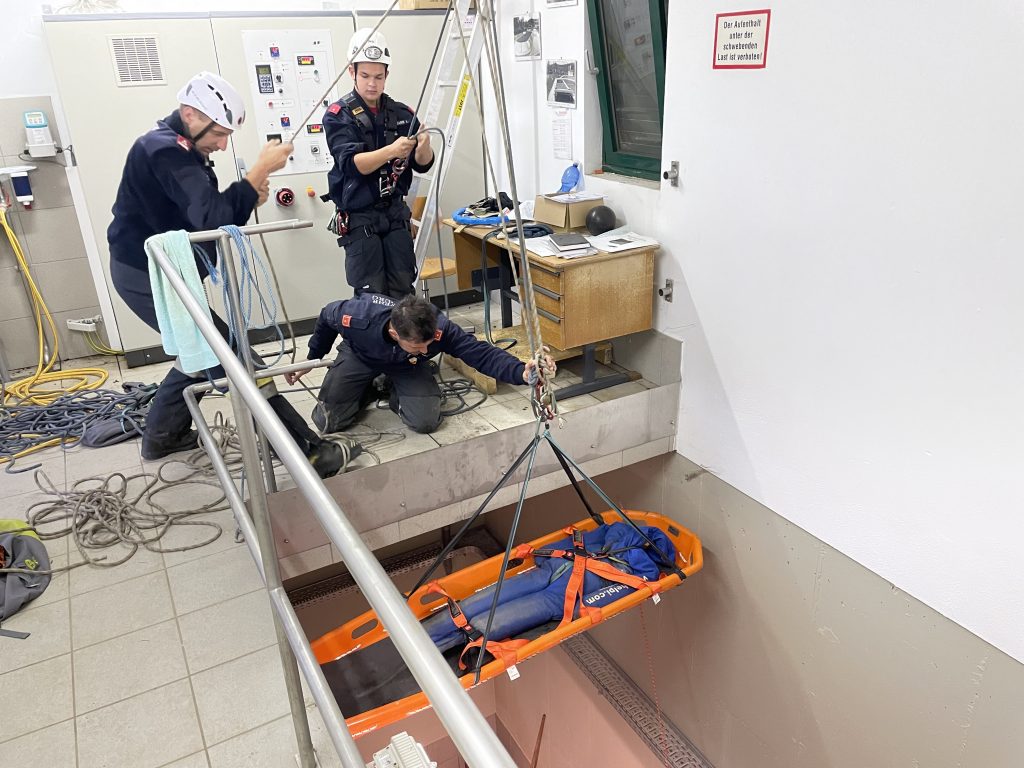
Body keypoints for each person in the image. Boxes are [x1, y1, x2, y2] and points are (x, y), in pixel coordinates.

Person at [108, 71, 344, 477]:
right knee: (236, 358)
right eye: (218, 134)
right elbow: (211, 216)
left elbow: (214, 216)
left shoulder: (184, 149)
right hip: (146, 277)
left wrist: (250, 193)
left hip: (165, 272)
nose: (222, 144)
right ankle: (307, 453)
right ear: (189, 114)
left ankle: (162, 436)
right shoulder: (162, 150)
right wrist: (255, 175)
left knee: (202, 350)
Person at [285, 294, 556, 435]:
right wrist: (312, 357)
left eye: (428, 345)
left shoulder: (440, 328)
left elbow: (480, 354)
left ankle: (394, 388)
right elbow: (326, 316)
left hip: (407, 365)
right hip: (361, 356)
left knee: (425, 422)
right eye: (419, 346)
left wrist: (521, 371)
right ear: (395, 333)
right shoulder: (358, 316)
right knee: (327, 421)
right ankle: (368, 387)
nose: (427, 351)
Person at [323, 29, 435, 298]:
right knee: (371, 295)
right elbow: (353, 165)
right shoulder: (339, 116)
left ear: (386, 75)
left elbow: (422, 165)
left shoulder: (402, 113)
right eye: (365, 76)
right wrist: (391, 151)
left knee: (403, 288)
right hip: (361, 216)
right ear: (352, 72)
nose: (372, 84)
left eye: (378, 77)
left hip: (394, 213)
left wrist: (424, 144)